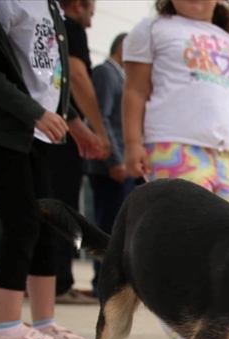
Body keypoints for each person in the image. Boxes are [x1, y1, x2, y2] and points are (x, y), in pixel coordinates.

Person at [0, 0, 104, 339]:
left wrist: (75, 121)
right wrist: (31, 112)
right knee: (21, 222)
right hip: (1, 125)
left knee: (46, 224)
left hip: (38, 130)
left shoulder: (49, 5)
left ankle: (44, 322)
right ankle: (5, 330)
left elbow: (47, 72)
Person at [124, 0, 229, 339]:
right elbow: (135, 90)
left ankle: (224, 322)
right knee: (180, 241)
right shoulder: (153, 29)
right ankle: (182, 327)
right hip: (173, 146)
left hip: (222, 156)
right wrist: (132, 142)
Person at [48, 0, 111, 305]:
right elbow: (77, 77)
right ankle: (59, 282)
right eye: (91, 13)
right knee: (62, 207)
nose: (90, 21)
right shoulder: (69, 29)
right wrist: (96, 128)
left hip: (44, 126)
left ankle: (51, 281)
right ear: (77, 5)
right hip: (60, 131)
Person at [86, 32, 134, 297]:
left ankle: (113, 283)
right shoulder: (106, 74)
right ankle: (102, 285)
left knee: (119, 229)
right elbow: (100, 118)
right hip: (110, 168)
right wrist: (114, 159)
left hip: (123, 168)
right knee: (108, 228)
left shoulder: (123, 77)